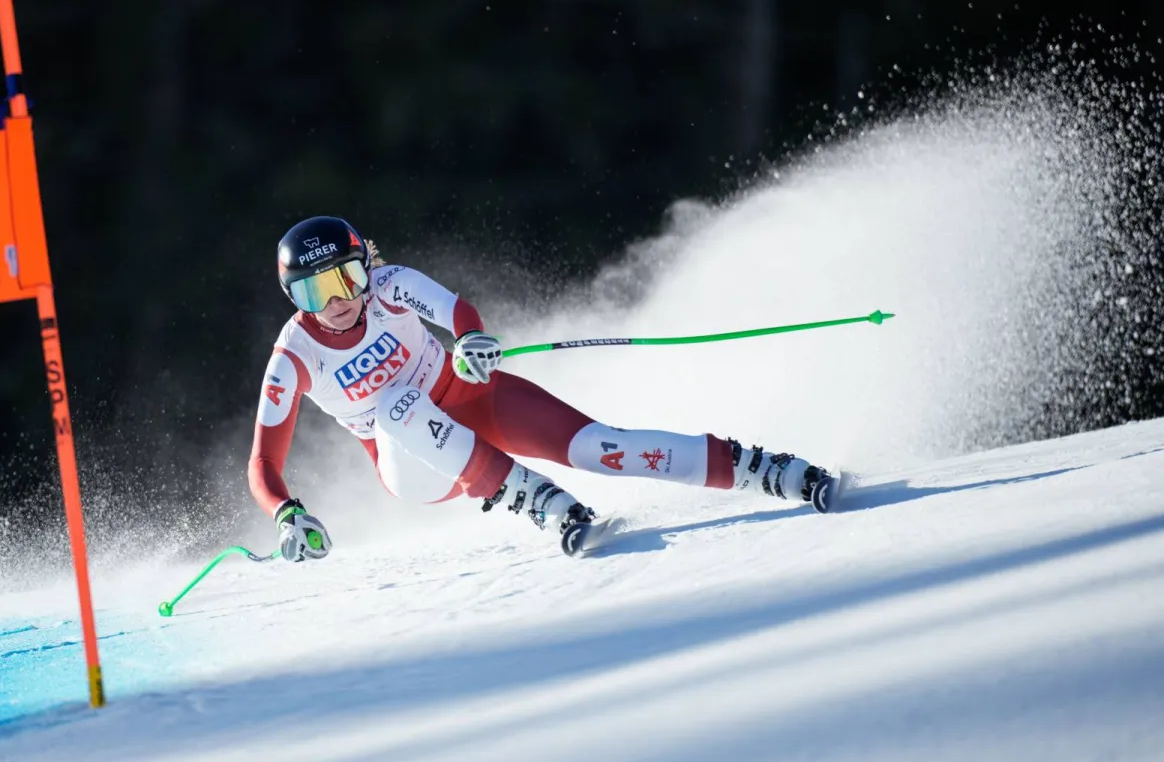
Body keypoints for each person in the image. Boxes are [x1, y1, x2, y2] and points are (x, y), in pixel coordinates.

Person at [251, 215, 834, 561]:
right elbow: (263, 464)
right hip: (416, 463)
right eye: (314, 293)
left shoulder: (389, 286)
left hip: (472, 401)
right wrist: (286, 514)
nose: (339, 301)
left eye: (347, 278)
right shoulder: (294, 357)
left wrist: (472, 342)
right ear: (294, 300)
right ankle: (543, 503)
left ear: (364, 268)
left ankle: (766, 469)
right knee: (397, 406)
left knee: (603, 447)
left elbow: (457, 311)